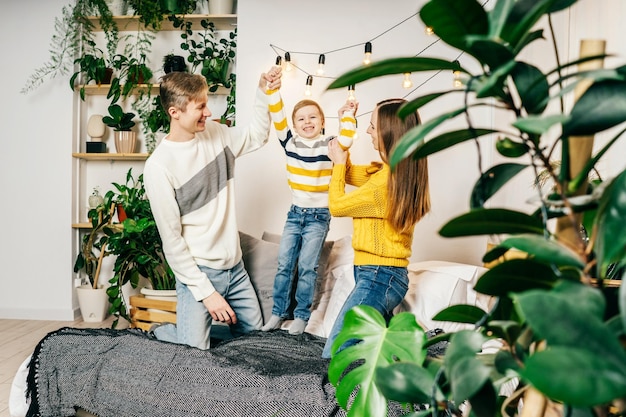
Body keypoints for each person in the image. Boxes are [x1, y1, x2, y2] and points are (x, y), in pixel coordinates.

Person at [143, 67, 282, 350]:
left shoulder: (216, 135)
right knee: (195, 355)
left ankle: (193, 332)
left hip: (236, 269)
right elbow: (172, 244)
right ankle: (170, 332)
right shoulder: (158, 167)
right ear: (175, 112)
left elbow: (256, 136)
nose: (209, 112)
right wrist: (208, 294)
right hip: (199, 274)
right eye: (201, 106)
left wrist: (262, 91)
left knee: (257, 342)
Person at [321, 98, 431, 358]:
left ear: (388, 133)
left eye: (372, 127)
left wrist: (337, 163)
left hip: (379, 276)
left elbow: (337, 205)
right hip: (380, 275)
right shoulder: (391, 173)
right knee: (365, 350)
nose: (368, 132)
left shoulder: (384, 185)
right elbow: (348, 173)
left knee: (337, 351)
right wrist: (346, 126)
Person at [260, 88, 357, 335]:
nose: (307, 122)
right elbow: (277, 115)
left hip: (318, 216)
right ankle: (278, 312)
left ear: (323, 122)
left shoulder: (329, 144)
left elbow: (347, 138)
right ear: (293, 124)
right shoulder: (290, 142)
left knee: (306, 266)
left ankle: (301, 315)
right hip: (294, 214)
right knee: (284, 264)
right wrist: (272, 91)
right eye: (301, 119)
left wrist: (346, 114)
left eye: (313, 117)